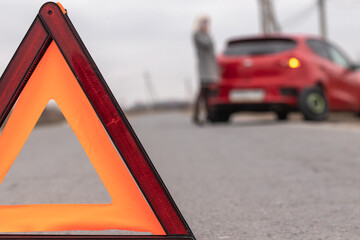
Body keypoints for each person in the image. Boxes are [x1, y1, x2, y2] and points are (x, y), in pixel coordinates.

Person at [192, 15, 219, 125]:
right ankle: (196, 115)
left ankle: (209, 116)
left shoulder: (206, 34)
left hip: (210, 66)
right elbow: (207, 44)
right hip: (204, 67)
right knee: (202, 91)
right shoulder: (197, 35)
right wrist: (206, 32)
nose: (206, 25)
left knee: (207, 92)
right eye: (204, 23)